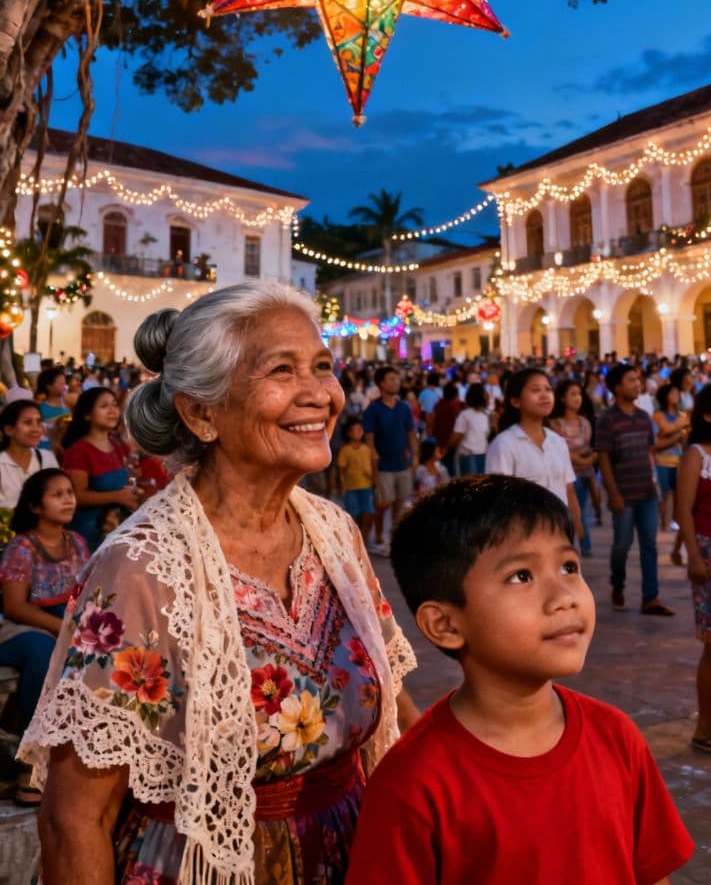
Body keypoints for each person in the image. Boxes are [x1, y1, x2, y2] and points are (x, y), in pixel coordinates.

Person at [22, 282, 418, 885]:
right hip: (202, 865)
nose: (319, 394)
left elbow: (396, 708)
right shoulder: (142, 567)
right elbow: (74, 818)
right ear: (200, 412)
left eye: (322, 366)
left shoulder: (334, 532)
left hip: (347, 852)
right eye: (281, 371)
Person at [346, 475, 694, 885]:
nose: (564, 595)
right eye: (521, 576)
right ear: (444, 624)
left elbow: (653, 873)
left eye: (569, 566)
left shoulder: (617, 737)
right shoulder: (413, 781)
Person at [0, 469, 88, 804]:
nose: (68, 499)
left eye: (70, 492)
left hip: (64, 625)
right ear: (36, 506)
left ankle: (77, 760)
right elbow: (15, 607)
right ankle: (29, 763)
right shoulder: (22, 548)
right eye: (58, 495)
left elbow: (83, 595)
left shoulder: (77, 542)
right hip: (22, 630)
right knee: (44, 651)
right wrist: (61, 628)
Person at [595, 363, 674, 616]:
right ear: (617, 387)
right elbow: (604, 459)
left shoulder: (642, 417)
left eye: (637, 379)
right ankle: (617, 584)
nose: (637, 384)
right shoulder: (607, 419)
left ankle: (650, 598)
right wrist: (613, 493)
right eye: (631, 380)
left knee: (649, 545)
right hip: (624, 493)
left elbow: (649, 451)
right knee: (622, 544)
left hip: (647, 491)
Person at [485, 368, 583, 544]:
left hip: (561, 534)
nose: (545, 395)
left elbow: (568, 490)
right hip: (525, 539)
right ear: (515, 401)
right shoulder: (504, 444)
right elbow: (498, 503)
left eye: (548, 389)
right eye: (536, 390)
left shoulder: (557, 442)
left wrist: (577, 526)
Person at [675, 383, 711, 753]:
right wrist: (692, 554)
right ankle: (704, 725)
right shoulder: (697, 455)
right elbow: (684, 508)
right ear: (708, 415)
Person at [60, 386, 140, 551]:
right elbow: (77, 496)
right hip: (88, 532)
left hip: (117, 527)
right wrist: (117, 496)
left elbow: (128, 478)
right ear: (87, 415)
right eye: (104, 406)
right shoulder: (79, 451)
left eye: (114, 405)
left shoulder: (119, 445)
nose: (112, 411)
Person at [363, 366, 418, 556]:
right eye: (391, 379)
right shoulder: (373, 409)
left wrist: (415, 456)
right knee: (382, 504)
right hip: (383, 466)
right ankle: (378, 538)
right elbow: (369, 439)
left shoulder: (404, 407)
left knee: (399, 503)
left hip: (402, 463)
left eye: (397, 379)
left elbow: (411, 433)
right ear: (381, 383)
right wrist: (373, 462)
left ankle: (394, 538)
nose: (395, 382)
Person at [0, 400, 58, 545]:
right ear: (9, 430)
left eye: (38, 422)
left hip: (45, 542)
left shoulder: (47, 458)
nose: (36, 429)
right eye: (28, 422)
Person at [549, 380, 596, 557]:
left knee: (580, 509)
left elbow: (589, 449)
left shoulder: (585, 422)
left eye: (579, 394)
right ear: (562, 398)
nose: (577, 398)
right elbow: (565, 451)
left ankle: (583, 543)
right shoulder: (555, 424)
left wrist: (585, 458)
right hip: (566, 475)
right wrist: (582, 457)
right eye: (573, 394)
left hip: (584, 474)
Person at [653, 382, 688, 545]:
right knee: (665, 493)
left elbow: (683, 436)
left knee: (678, 493)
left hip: (679, 460)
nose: (676, 396)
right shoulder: (659, 415)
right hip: (662, 460)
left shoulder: (682, 415)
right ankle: (663, 521)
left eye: (677, 393)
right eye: (673, 393)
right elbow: (664, 431)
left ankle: (673, 521)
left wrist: (678, 432)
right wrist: (679, 430)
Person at [337, 416, 375, 545]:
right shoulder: (345, 450)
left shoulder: (366, 449)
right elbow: (341, 469)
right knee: (352, 514)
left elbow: (373, 466)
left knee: (368, 512)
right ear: (348, 433)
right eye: (354, 430)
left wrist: (375, 481)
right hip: (351, 487)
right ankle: (353, 540)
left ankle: (364, 538)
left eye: (360, 429)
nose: (358, 432)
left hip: (366, 486)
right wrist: (341, 484)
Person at [448, 381, 491, 476]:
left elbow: (456, 437)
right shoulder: (467, 415)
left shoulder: (482, 415)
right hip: (470, 456)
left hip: (480, 456)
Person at [35, 366, 71, 453]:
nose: (65, 387)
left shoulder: (67, 406)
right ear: (48, 386)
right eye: (61, 384)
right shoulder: (41, 409)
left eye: (65, 383)